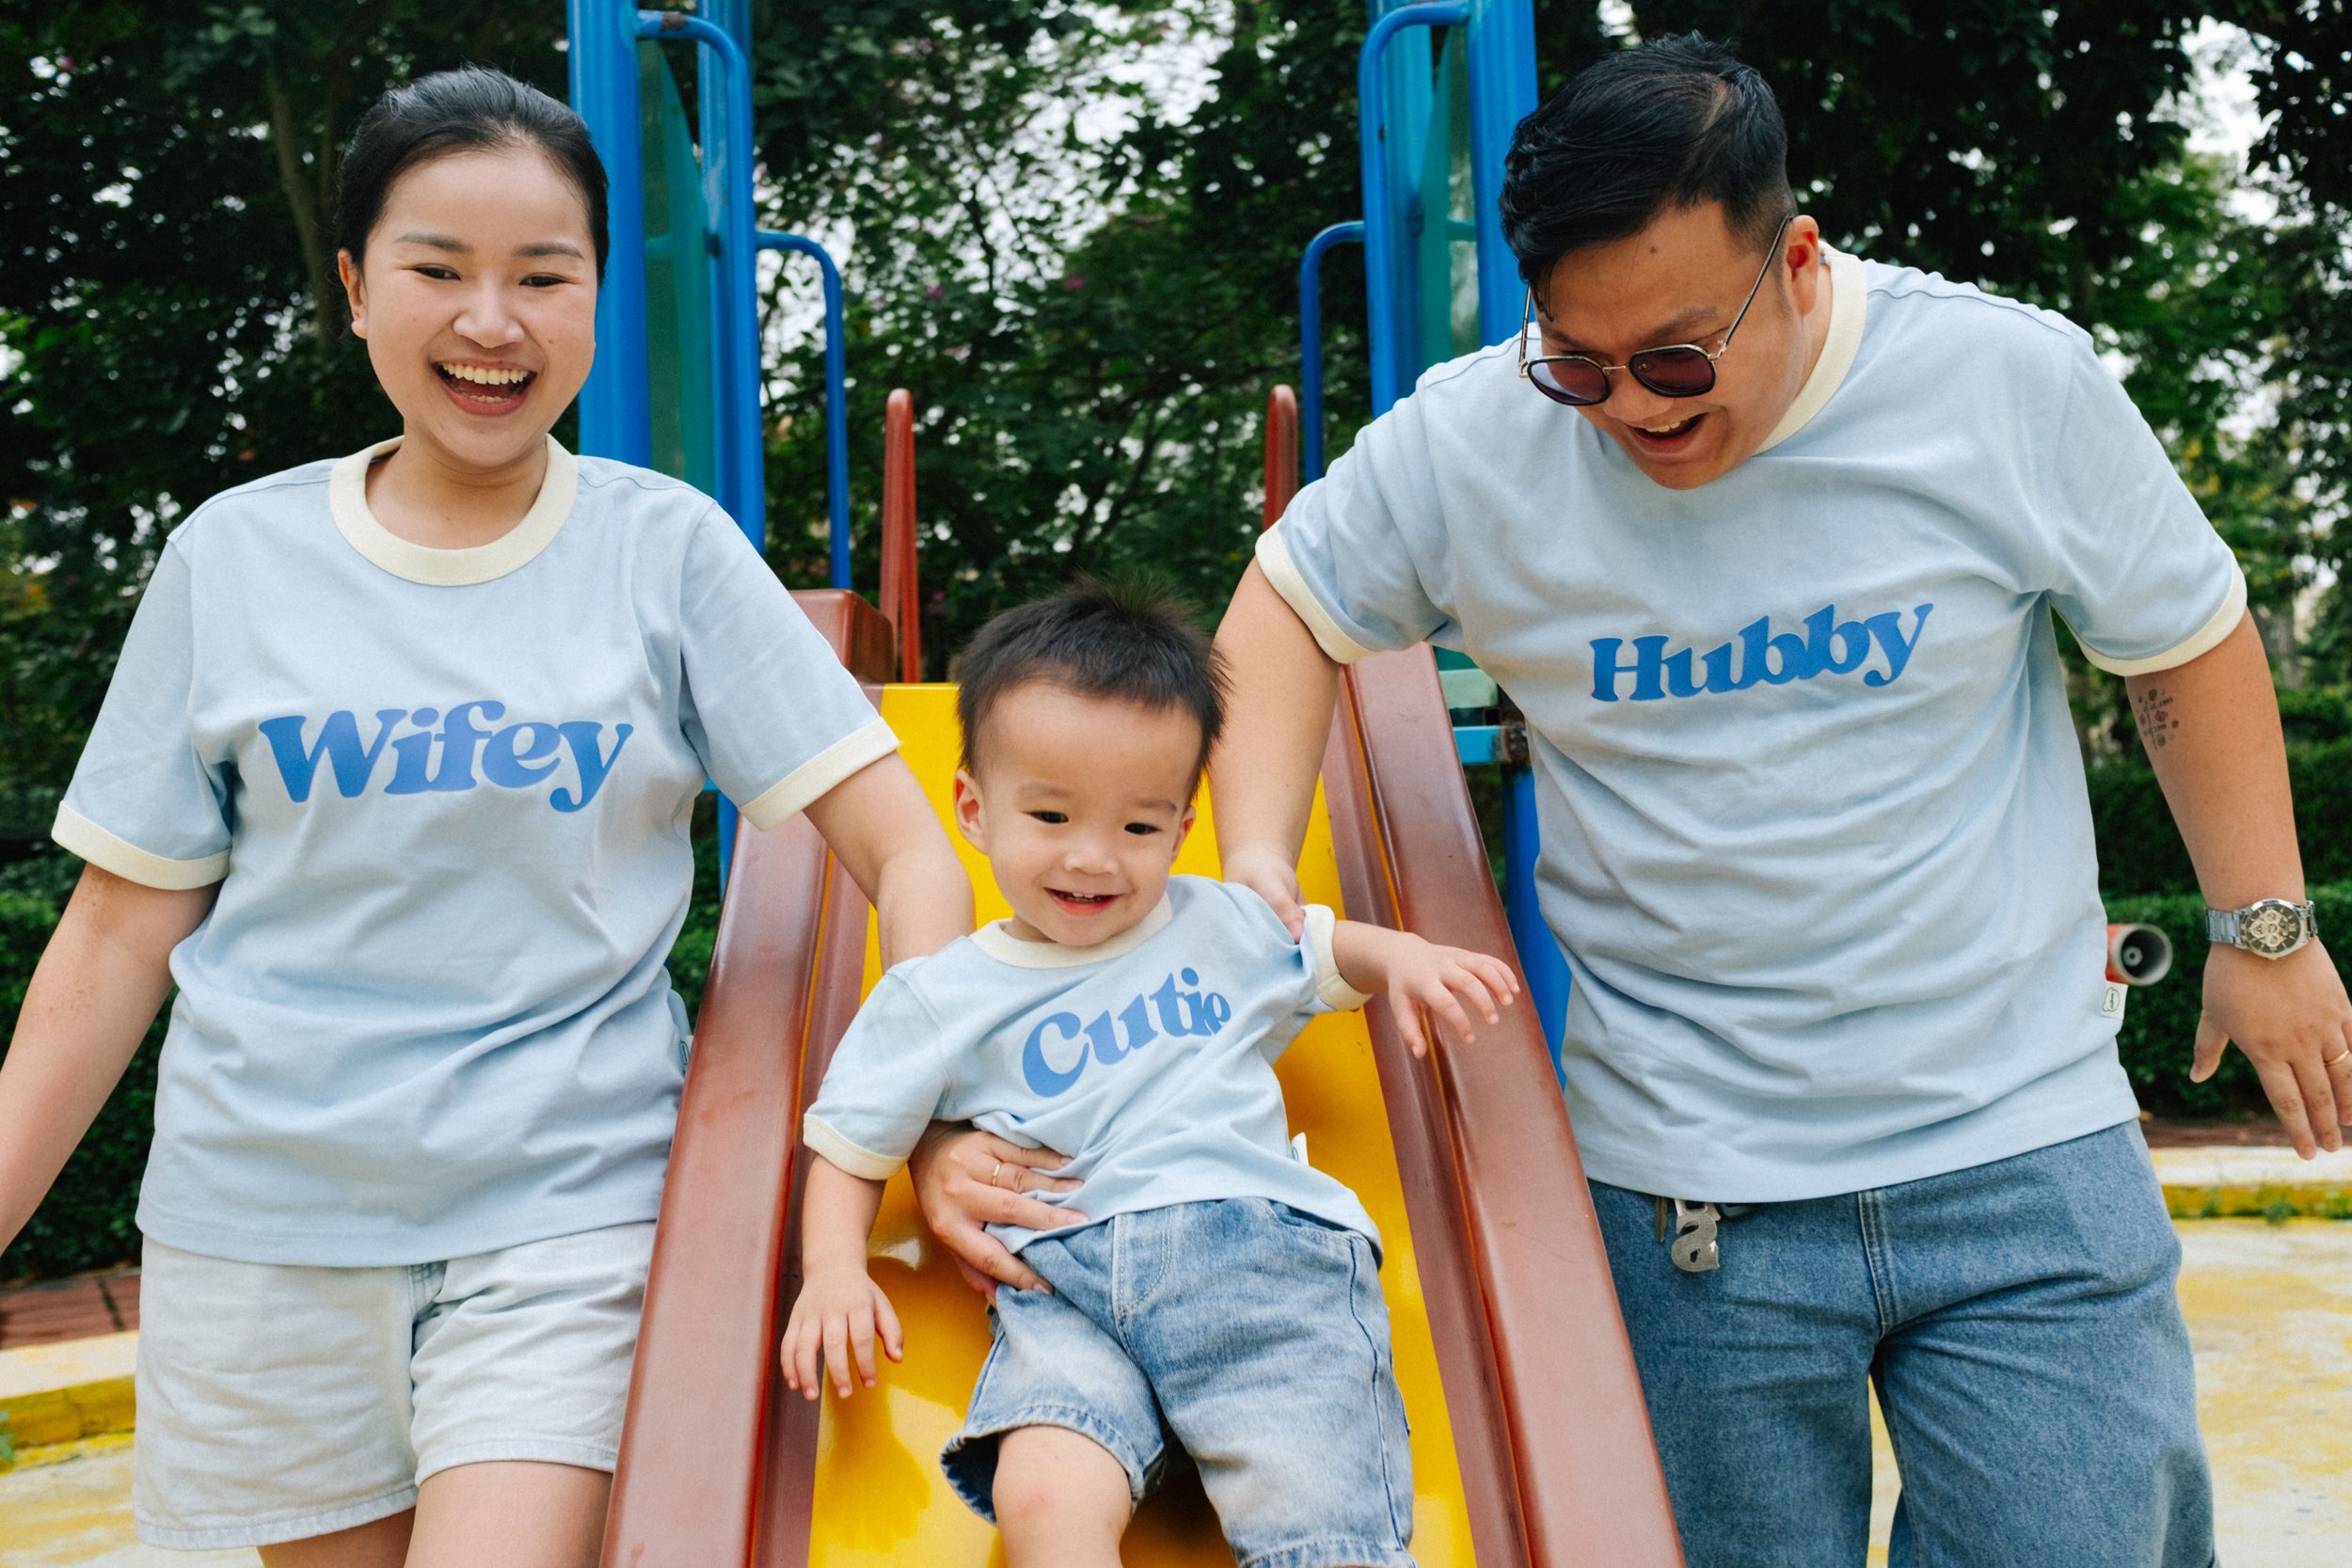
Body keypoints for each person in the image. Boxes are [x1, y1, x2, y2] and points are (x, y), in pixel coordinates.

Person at [1200, 32, 2352, 1568]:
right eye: (1580, 362)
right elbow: (1286, 605)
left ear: (1796, 261)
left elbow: (2181, 635)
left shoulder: (2001, 383)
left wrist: (2263, 929)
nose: (1633, 406)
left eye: (1679, 357)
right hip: (1691, 1192)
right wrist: (1257, 861)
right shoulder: (1474, 440)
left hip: (2018, 1142)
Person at [0, 68, 971, 1568]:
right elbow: (121, 930)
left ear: (598, 297)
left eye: (543, 275)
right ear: (354, 285)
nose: (492, 321)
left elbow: (907, 847)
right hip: (264, 1226)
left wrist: (935, 1109)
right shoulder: (233, 557)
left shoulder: (665, 553)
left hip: (567, 1212)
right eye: (438, 268)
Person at [779, 581, 1518, 1568]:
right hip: (1064, 1289)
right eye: (1051, 814)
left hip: (1255, 1266)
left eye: (1137, 827)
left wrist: (1406, 958)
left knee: (1316, 1507)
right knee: (1042, 1492)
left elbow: (1323, 948)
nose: (1092, 858)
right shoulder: (938, 993)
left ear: (1182, 827)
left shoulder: (1216, 923)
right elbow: (850, 1141)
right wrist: (832, 1267)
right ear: (973, 809)